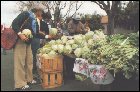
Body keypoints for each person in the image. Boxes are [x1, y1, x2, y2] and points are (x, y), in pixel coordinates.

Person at [12, 4, 54, 91]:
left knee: (29, 62)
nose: (42, 15)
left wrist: (46, 36)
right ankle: (19, 84)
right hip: (20, 42)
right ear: (37, 10)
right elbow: (14, 24)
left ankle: (29, 79)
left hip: (28, 43)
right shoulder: (25, 14)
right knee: (20, 63)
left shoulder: (36, 20)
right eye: (42, 13)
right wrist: (20, 34)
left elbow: (36, 34)